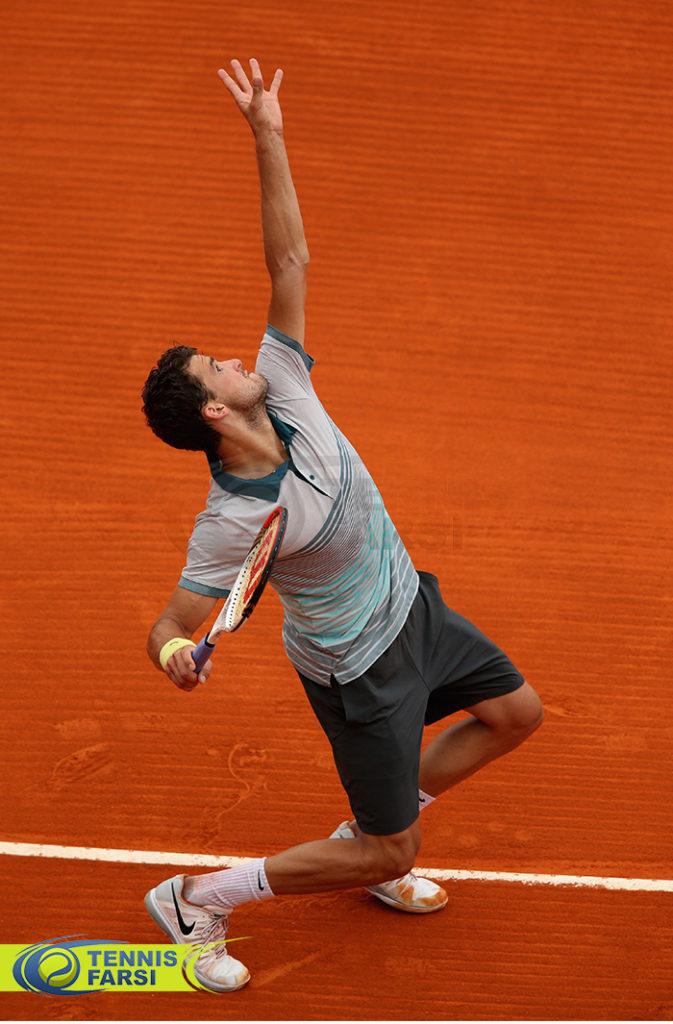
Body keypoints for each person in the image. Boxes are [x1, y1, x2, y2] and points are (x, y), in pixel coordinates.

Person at [141, 58, 544, 994]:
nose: (235, 356)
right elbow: (169, 624)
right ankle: (197, 897)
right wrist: (175, 655)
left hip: (414, 609)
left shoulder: (283, 385)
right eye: (216, 366)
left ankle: (366, 830)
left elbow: (288, 261)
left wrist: (267, 132)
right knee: (389, 853)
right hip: (360, 672)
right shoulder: (233, 519)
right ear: (214, 411)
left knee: (514, 715)